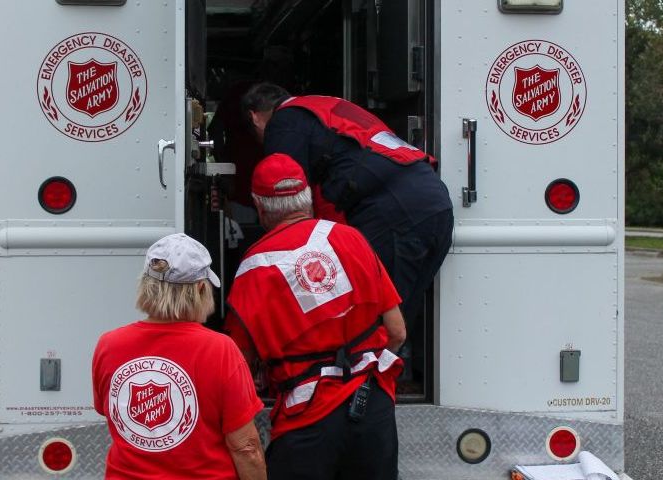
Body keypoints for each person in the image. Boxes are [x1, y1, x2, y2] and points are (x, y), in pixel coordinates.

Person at [225, 153, 407, 480]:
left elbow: (236, 367)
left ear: (260, 206)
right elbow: (396, 332)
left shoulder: (253, 269)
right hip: (372, 404)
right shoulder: (351, 238)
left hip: (305, 419)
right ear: (308, 198)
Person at [240, 83, 454, 333]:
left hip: (394, 213)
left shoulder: (285, 121)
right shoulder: (324, 105)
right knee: (399, 320)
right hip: (435, 203)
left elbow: (285, 198)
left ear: (254, 117)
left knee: (373, 324)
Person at [92, 233, 266, 480]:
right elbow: (246, 447)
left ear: (146, 285)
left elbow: (113, 416)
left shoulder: (109, 345)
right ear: (200, 288)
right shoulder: (220, 350)